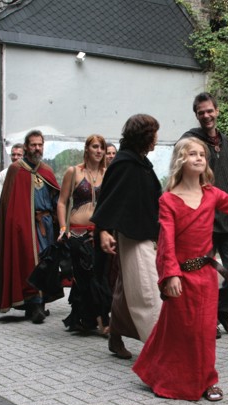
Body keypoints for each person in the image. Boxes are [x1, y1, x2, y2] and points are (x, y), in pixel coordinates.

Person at [133, 138, 228, 401]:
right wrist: (171, 275)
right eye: (193, 154)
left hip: (206, 276)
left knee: (203, 331)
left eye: (202, 154)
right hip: (180, 277)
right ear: (181, 160)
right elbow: (166, 242)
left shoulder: (212, 194)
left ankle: (209, 380)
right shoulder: (168, 200)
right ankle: (162, 373)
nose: (199, 158)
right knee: (177, 329)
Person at [91, 114, 162, 359]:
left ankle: (115, 334)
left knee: (126, 287)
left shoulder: (141, 163)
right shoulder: (124, 164)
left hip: (145, 234)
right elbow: (109, 200)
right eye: (154, 133)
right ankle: (158, 347)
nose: (157, 138)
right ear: (144, 136)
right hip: (133, 236)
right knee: (147, 291)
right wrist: (103, 230)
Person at [181, 92, 228, 338]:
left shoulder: (227, 142)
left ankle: (220, 308)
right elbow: (181, 176)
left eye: (210, 110)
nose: (206, 116)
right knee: (202, 274)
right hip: (203, 220)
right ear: (196, 115)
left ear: (217, 111)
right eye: (201, 112)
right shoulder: (189, 141)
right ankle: (206, 317)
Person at [0, 130, 60, 323]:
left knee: (45, 263)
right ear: (26, 147)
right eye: (33, 145)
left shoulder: (46, 170)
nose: (37, 148)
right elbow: (9, 203)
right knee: (30, 263)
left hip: (46, 225)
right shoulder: (16, 170)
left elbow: (56, 197)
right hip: (25, 225)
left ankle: (40, 303)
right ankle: (34, 305)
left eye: (40, 145)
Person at [57, 134, 111, 335]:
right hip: (77, 233)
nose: (99, 151)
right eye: (95, 146)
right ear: (87, 149)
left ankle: (85, 318)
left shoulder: (108, 173)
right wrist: (63, 229)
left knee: (100, 276)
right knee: (86, 276)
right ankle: (101, 320)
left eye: (102, 147)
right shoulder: (74, 172)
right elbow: (62, 202)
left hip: (100, 233)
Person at [0, 143, 24, 217]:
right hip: (10, 213)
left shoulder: (30, 172)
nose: (15, 157)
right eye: (13, 155)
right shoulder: (3, 174)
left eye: (19, 155)